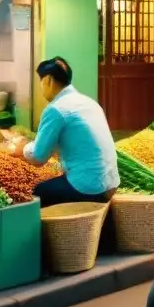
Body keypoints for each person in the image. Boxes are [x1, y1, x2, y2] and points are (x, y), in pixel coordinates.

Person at [13, 57, 120, 207]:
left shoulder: (56, 109)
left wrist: (22, 148)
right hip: (111, 183)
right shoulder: (89, 102)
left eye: (41, 82)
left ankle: (49, 230)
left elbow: (38, 157)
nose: (42, 88)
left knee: (37, 192)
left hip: (88, 187)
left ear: (48, 80)